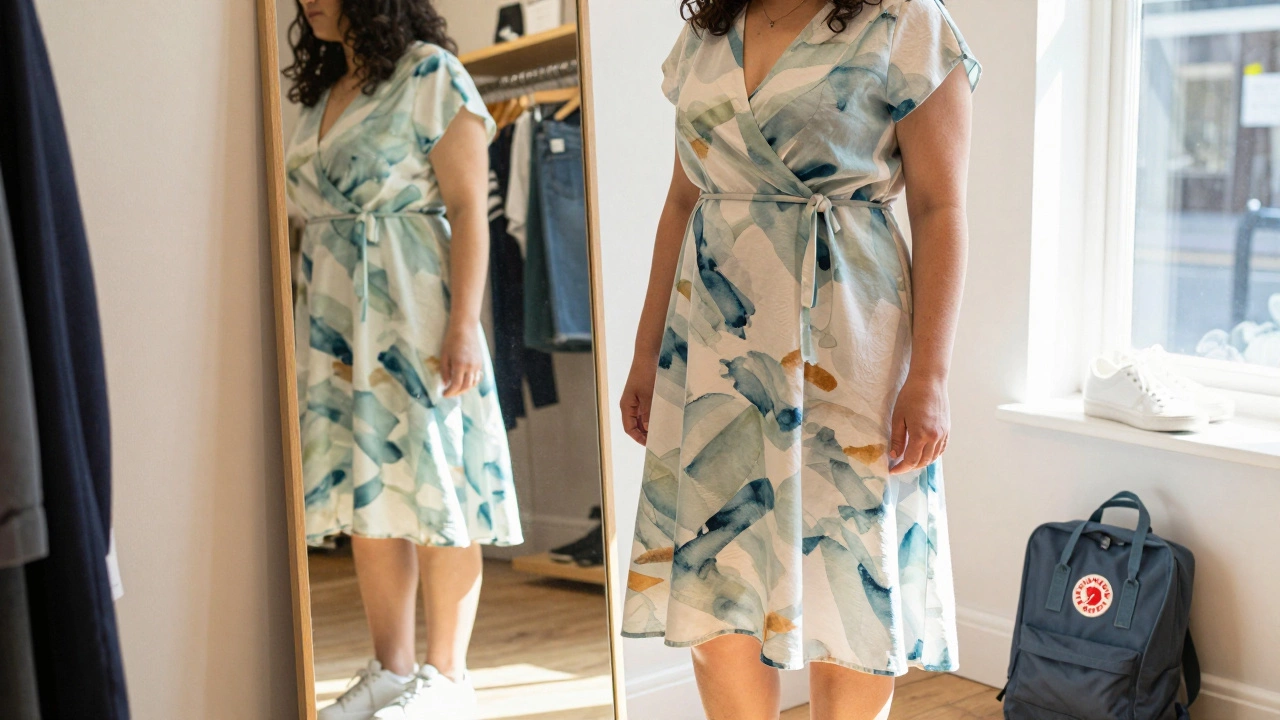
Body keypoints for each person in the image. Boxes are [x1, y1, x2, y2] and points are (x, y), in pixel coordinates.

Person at [618, 0, 980, 718]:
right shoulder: (706, 33)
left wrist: (931, 377)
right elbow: (682, 199)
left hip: (851, 342)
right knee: (719, 571)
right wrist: (646, 350)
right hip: (716, 344)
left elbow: (942, 210)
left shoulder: (907, 22)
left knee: (849, 571)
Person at [282, 1, 521, 718]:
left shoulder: (432, 74)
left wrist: (463, 327)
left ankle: (448, 679)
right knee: (370, 492)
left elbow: (469, 209)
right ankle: (391, 670)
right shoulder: (321, 93)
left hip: (417, 313)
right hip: (334, 324)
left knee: (439, 489)